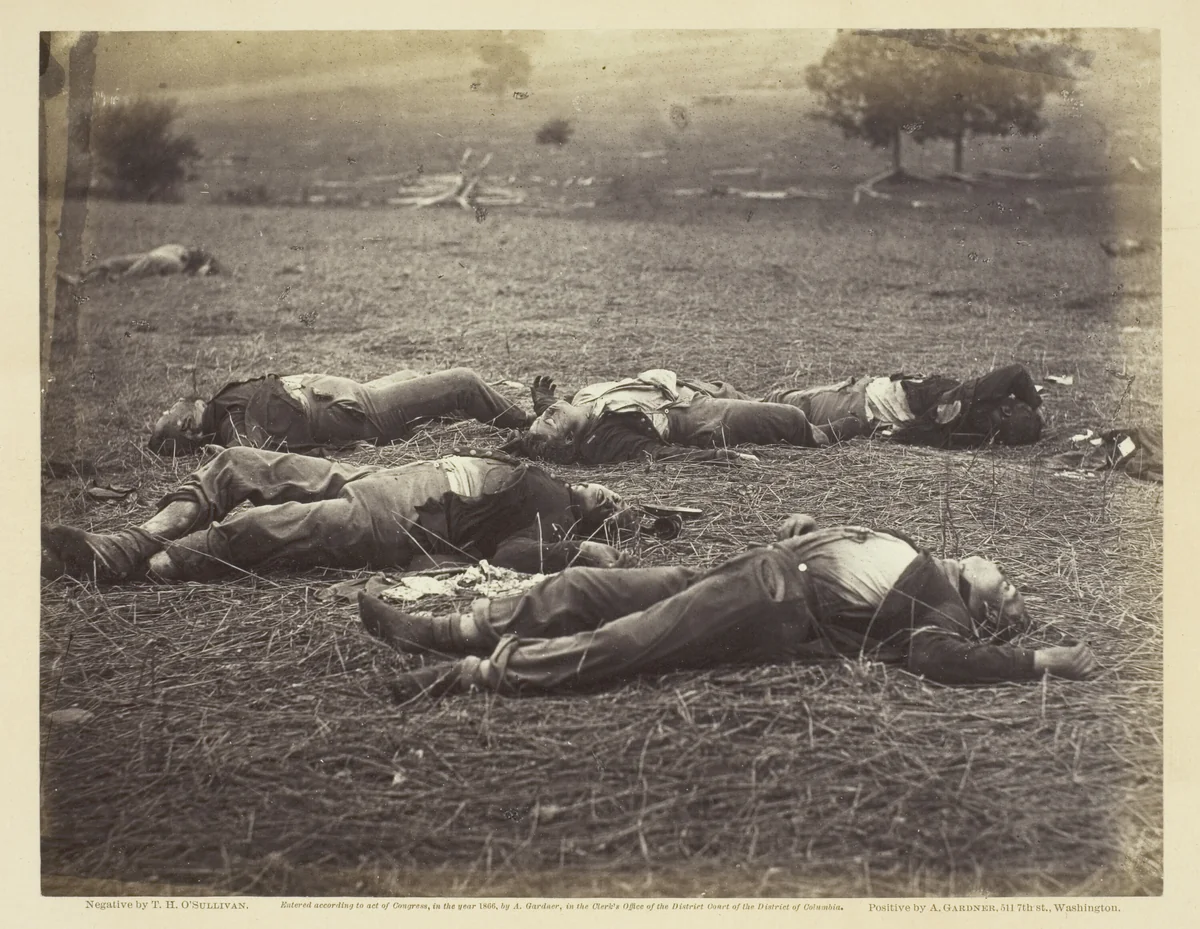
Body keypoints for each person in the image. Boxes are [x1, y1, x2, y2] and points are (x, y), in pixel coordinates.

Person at [361, 512, 1100, 699]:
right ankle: (444, 628)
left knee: (636, 637)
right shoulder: (920, 554)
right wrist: (815, 527)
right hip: (755, 566)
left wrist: (1038, 658)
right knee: (586, 588)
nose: (1009, 580)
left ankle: (475, 672)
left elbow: (941, 659)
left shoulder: (943, 609)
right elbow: (854, 556)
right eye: (1013, 584)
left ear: (983, 609)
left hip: (774, 602)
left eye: (1010, 594)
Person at [41, 448, 633, 584]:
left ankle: (135, 562)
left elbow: (511, 557)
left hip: (398, 516)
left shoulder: (557, 520)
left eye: (610, 510)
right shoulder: (546, 476)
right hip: (383, 477)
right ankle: (135, 536)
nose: (609, 497)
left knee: (263, 528)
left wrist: (579, 551)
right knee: (238, 463)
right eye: (614, 494)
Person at [502, 370, 862, 465]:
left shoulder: (579, 402)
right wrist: (720, 457)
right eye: (549, 420)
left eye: (543, 414)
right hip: (696, 415)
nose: (548, 413)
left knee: (774, 398)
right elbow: (661, 456)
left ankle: (840, 400)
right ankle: (830, 433)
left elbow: (556, 411)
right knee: (789, 417)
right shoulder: (605, 439)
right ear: (570, 439)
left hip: (689, 389)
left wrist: (545, 405)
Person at [149, 368, 533, 455]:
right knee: (463, 382)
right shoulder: (228, 421)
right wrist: (222, 453)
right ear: (187, 424)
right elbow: (246, 454)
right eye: (168, 412)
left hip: (351, 398)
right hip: (354, 409)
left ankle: (463, 409)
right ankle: (530, 426)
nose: (171, 404)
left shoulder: (223, 408)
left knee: (412, 376)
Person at [762, 363, 1044, 447]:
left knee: (776, 405)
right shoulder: (971, 418)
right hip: (857, 403)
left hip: (852, 403)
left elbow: (1016, 373)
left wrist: (1035, 407)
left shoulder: (968, 403)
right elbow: (1015, 374)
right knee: (777, 405)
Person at [57, 244, 221, 285]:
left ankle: (82, 278)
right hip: (162, 257)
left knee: (119, 267)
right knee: (117, 265)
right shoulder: (179, 252)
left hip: (162, 258)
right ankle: (82, 277)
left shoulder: (182, 260)